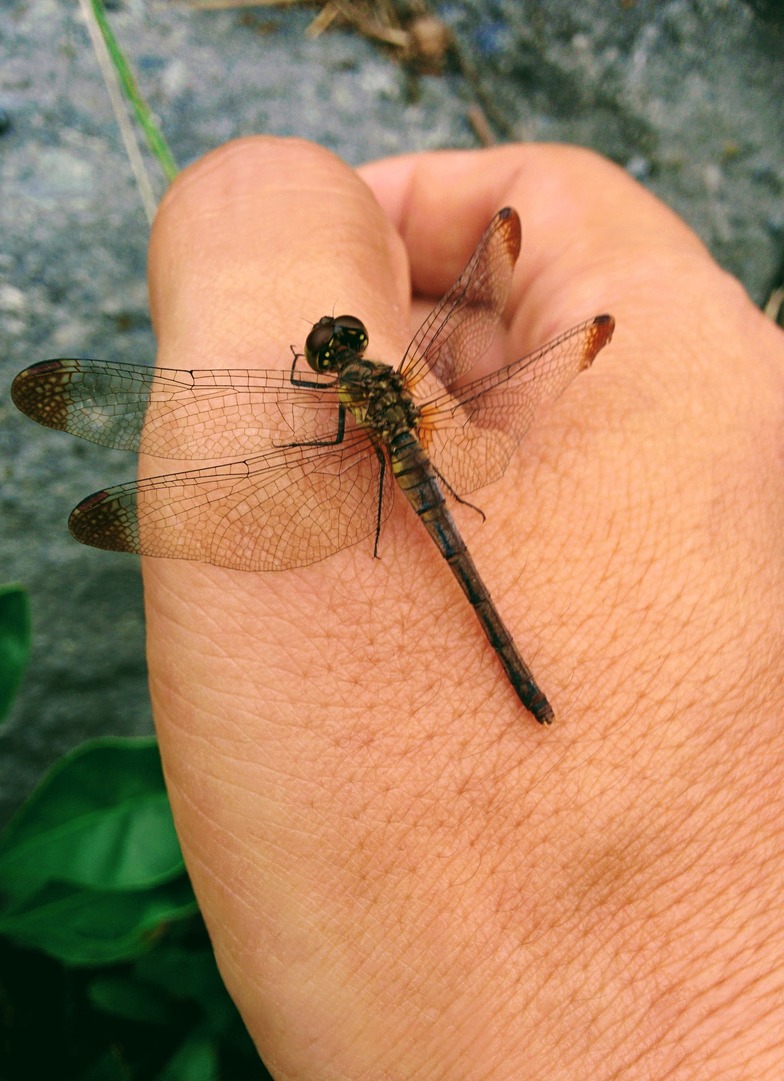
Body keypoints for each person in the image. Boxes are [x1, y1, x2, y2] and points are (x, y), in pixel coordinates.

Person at [145, 138, 784, 1078]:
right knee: (449, 538)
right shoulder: (401, 379)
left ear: (333, 362)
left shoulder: (339, 400)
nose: (334, 351)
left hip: (400, 477)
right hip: (428, 465)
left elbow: (318, 440)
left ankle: (522, 682)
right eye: (334, 346)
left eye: (333, 346)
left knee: (423, 532)